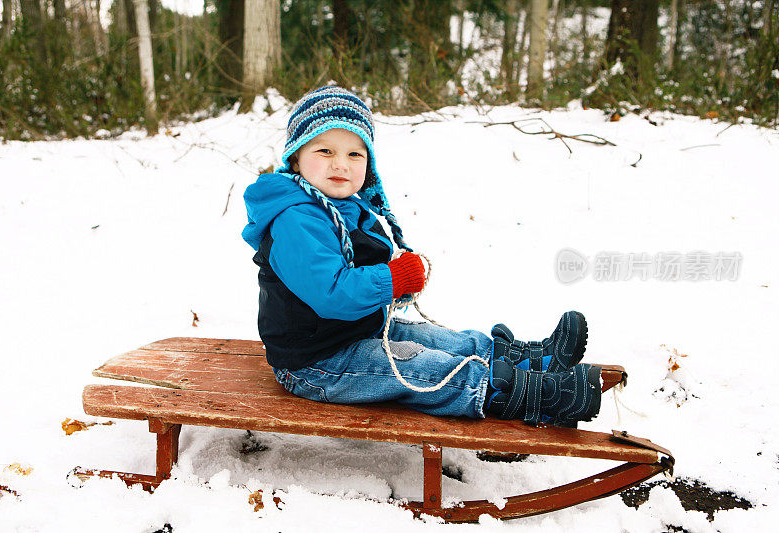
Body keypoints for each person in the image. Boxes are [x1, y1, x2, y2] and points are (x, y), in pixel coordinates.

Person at [242, 86, 601, 425]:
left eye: (355, 153)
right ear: (296, 155)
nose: (341, 165)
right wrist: (392, 279)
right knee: (419, 365)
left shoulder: (345, 206)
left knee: (440, 340)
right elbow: (331, 294)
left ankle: (526, 360)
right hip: (316, 362)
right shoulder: (295, 218)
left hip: (355, 330)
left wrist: (397, 280)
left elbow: (360, 269)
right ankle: (524, 393)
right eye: (325, 151)